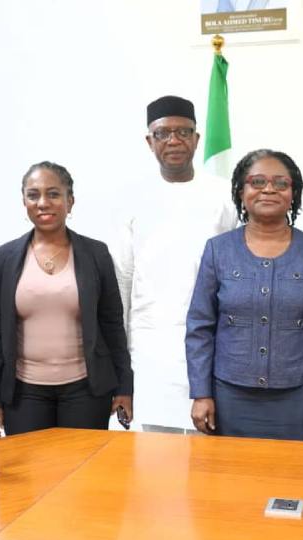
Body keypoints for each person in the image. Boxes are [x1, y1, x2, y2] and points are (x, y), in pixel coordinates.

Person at [186, 149, 303, 441]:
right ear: (241, 191)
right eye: (257, 182)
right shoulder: (218, 250)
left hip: (297, 398)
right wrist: (200, 393)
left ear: (293, 193)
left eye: (280, 183)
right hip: (229, 397)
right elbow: (199, 327)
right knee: (230, 482)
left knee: (293, 483)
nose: (269, 189)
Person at [111, 95, 236, 434]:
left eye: (183, 132)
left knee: (211, 455)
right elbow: (123, 279)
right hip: (151, 350)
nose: (174, 141)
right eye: (163, 133)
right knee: (154, 462)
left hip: (213, 345)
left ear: (197, 139)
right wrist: (121, 362)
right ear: (149, 141)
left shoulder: (225, 195)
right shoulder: (131, 199)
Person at [0, 162, 132, 435]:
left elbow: (112, 325)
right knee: (30, 475)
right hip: (23, 393)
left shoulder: (96, 254)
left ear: (69, 201)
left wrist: (124, 387)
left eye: (53, 194)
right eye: (33, 195)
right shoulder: (4, 257)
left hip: (86, 390)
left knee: (83, 474)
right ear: (24, 201)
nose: (42, 203)